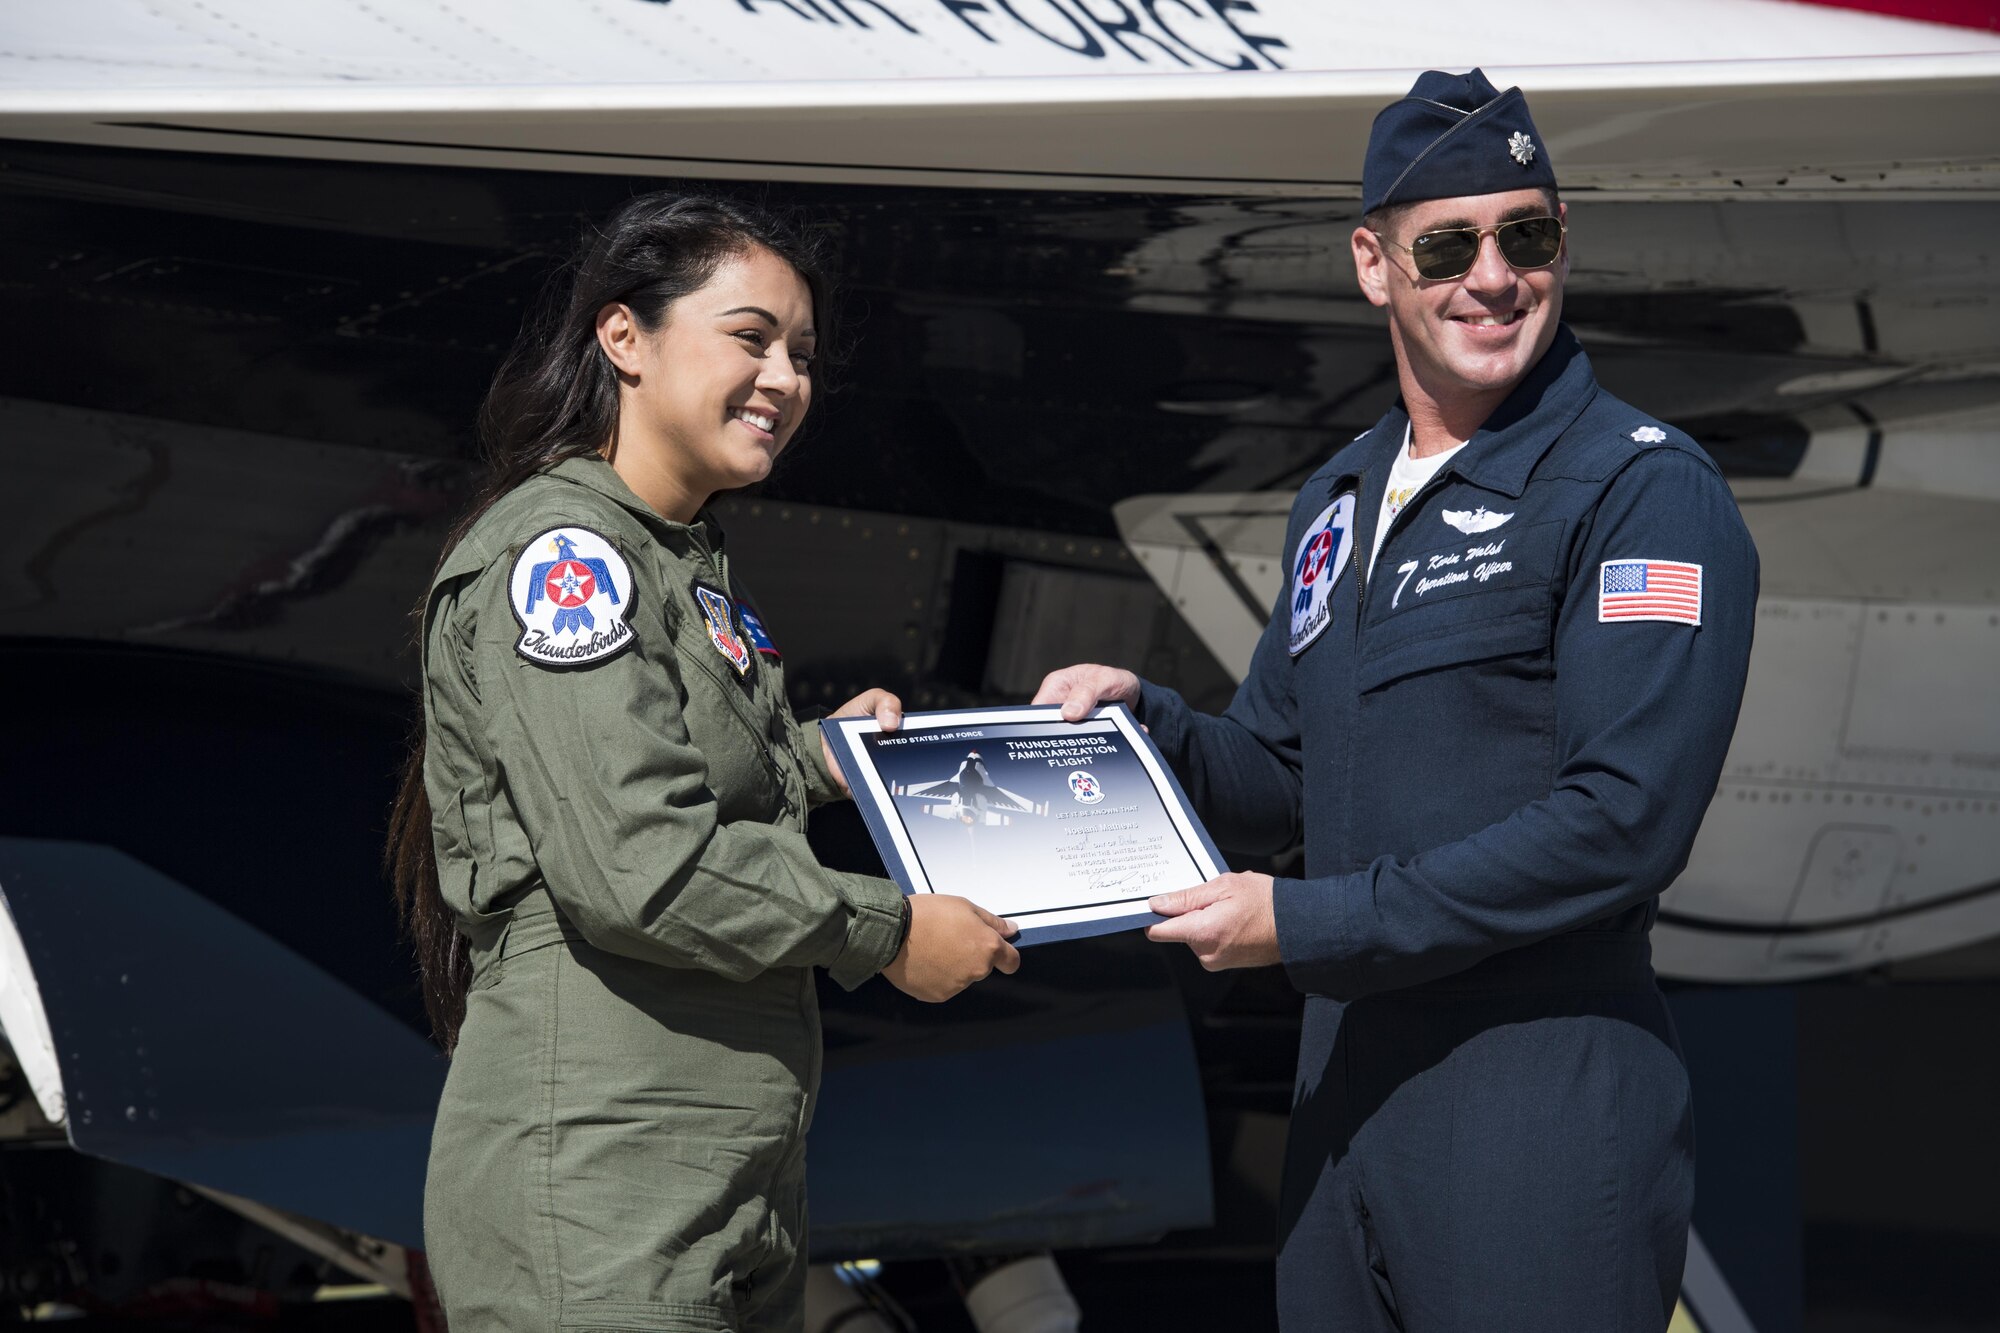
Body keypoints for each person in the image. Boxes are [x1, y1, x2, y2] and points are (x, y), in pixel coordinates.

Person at [1036, 70, 1757, 1332]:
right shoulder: (1340, 497)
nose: (1493, 278)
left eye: (1525, 236)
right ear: (1373, 264)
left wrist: (1308, 927)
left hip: (1529, 1114)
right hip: (1343, 1122)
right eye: (1447, 245)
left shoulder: (1638, 489)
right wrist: (1145, 721)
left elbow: (1622, 821)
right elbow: (1276, 770)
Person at [385, 192, 1020, 1333]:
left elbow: (685, 778)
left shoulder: (681, 561)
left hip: (714, 1182)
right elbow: (646, 868)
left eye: (802, 353)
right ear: (622, 338)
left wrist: (826, 760)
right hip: (602, 1192)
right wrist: (892, 934)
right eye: (749, 337)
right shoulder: (565, 557)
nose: (785, 377)